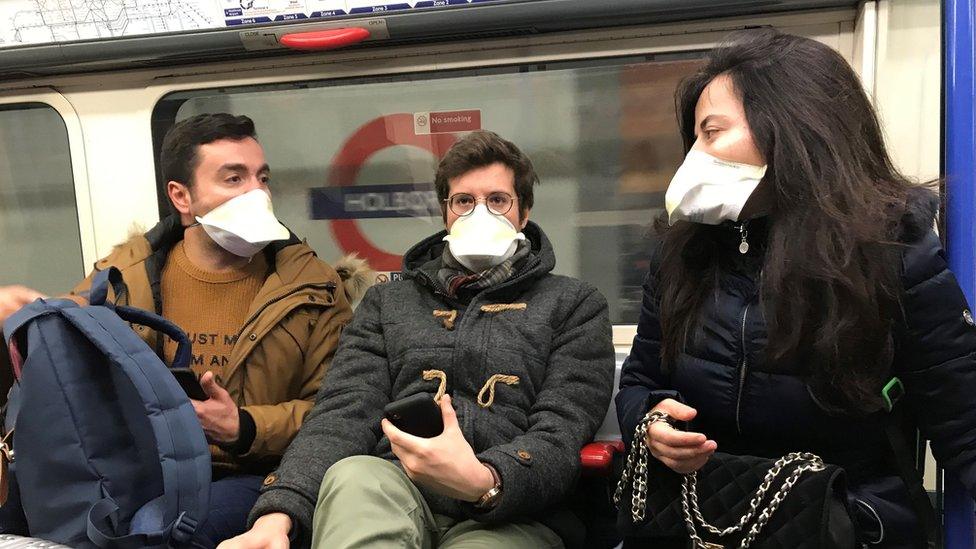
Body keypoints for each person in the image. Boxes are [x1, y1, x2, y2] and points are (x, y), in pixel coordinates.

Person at [616, 29, 976, 548]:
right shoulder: (682, 254)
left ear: (793, 130)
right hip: (702, 516)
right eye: (693, 138)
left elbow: (963, 421)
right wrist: (651, 424)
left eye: (712, 133)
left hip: (838, 518)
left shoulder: (894, 252)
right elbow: (641, 381)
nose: (694, 157)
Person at [220, 130, 615, 549]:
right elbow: (342, 415)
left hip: (512, 508)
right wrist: (277, 514)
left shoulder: (573, 304)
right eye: (464, 201)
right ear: (445, 212)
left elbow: (562, 431)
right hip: (395, 486)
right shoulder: (388, 303)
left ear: (524, 212)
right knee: (352, 476)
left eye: (497, 201)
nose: (480, 214)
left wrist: (486, 480)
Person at [69, 113, 365, 547]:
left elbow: (338, 411)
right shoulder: (122, 281)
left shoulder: (313, 289)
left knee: (162, 527)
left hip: (257, 473)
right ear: (182, 197)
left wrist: (242, 426)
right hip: (142, 468)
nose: (256, 194)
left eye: (261, 179)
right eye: (233, 179)